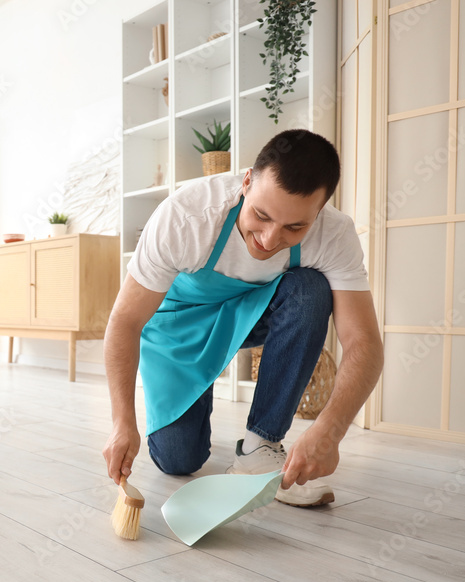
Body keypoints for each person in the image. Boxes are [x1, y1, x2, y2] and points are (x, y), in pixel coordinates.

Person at [102, 129, 384, 507]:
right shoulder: (187, 216)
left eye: (294, 227)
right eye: (261, 215)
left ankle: (259, 448)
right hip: (179, 326)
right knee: (178, 460)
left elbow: (363, 341)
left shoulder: (335, 234)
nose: (268, 239)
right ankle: (190, 410)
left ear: (319, 213)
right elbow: (125, 321)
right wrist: (123, 423)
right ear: (247, 182)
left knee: (310, 288)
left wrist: (330, 430)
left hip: (253, 315)